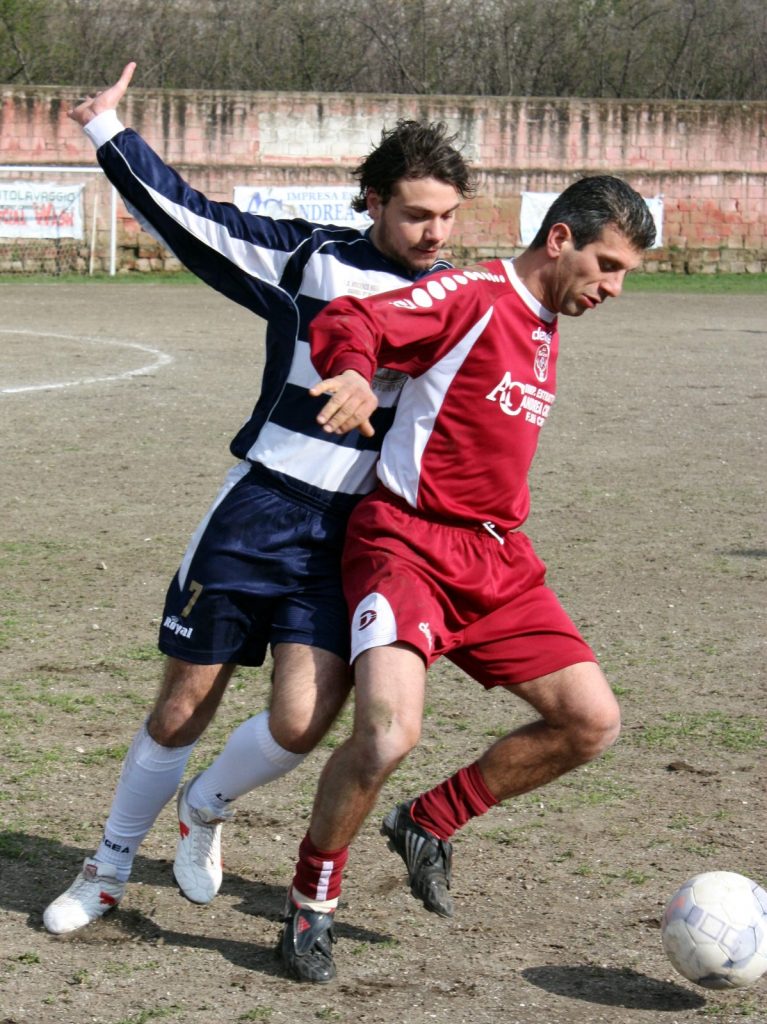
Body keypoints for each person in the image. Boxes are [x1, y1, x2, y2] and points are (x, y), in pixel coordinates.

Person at [42, 62, 475, 934]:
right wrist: (105, 131)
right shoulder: (307, 261)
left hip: (355, 536)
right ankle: (109, 866)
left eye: (448, 217)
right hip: (261, 508)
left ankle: (204, 807)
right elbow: (190, 216)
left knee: (302, 720)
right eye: (416, 214)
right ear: (372, 202)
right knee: (180, 704)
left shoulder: (456, 298)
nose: (434, 234)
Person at [278, 175, 657, 982]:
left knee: (590, 722)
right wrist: (350, 370)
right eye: (607, 265)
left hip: (497, 561)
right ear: (559, 240)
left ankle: (430, 821)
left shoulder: (549, 316)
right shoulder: (474, 292)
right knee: (387, 732)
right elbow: (355, 319)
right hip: (407, 546)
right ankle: (313, 897)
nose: (613, 288)